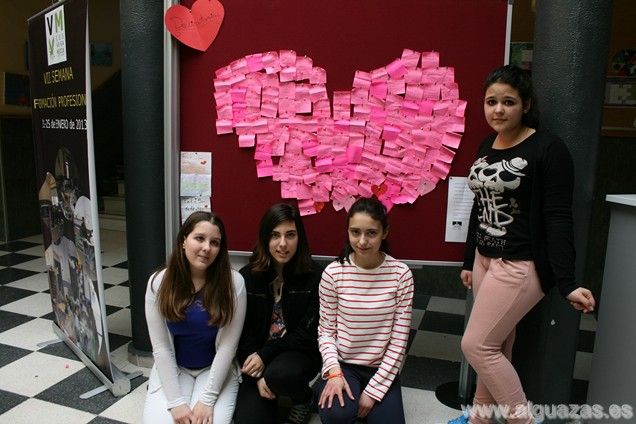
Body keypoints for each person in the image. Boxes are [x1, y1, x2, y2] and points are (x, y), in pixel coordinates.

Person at [453, 65, 596, 424]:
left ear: (526, 105)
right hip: (486, 260)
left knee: (476, 345)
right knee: (497, 346)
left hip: (519, 264)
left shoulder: (548, 148)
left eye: (508, 102)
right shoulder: (487, 144)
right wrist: (469, 260)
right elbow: (479, 205)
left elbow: (559, 218)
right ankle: (480, 420)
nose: (498, 110)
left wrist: (567, 282)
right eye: (491, 102)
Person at [143, 211, 247, 424]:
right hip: (175, 368)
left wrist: (207, 400)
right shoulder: (158, 283)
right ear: (183, 240)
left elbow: (228, 347)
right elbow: (161, 347)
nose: (207, 248)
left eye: (215, 242)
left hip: (215, 371)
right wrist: (176, 402)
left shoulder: (234, 283)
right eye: (199, 238)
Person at [317, 196, 413, 424]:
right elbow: (326, 332)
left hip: (381, 366)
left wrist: (373, 392)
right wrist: (334, 372)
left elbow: (399, 342)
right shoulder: (333, 273)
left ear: (384, 233)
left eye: (371, 233)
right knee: (336, 416)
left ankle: (365, 395)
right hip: (344, 365)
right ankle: (323, 391)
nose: (362, 241)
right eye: (355, 232)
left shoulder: (401, 275)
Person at [233, 203, 323, 424]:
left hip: (297, 354)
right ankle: (268, 390)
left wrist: (266, 356)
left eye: (290, 235)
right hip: (257, 359)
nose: (283, 244)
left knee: (281, 375)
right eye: (275, 235)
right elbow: (242, 332)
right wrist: (257, 376)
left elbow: (306, 335)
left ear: (299, 238)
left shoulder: (316, 277)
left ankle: (303, 398)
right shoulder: (247, 276)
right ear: (265, 238)